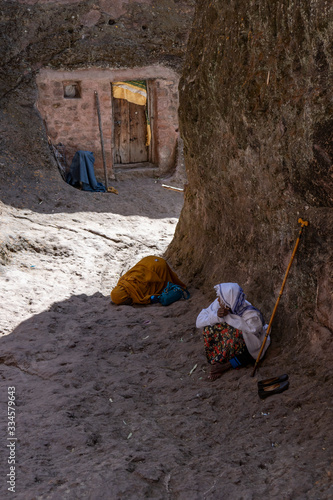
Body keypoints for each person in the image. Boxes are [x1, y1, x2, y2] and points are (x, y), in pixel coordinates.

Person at [196, 283, 270, 381]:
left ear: (229, 302)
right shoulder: (219, 304)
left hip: (243, 350)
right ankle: (217, 362)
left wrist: (229, 318)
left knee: (235, 334)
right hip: (229, 346)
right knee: (209, 328)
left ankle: (225, 365)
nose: (218, 300)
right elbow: (199, 321)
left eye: (221, 299)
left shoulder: (251, 315)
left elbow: (254, 345)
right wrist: (216, 316)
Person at [111, 255, 187, 305]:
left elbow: (145, 299)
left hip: (158, 267)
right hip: (148, 260)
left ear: (124, 297)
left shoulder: (136, 293)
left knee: (162, 283)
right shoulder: (121, 281)